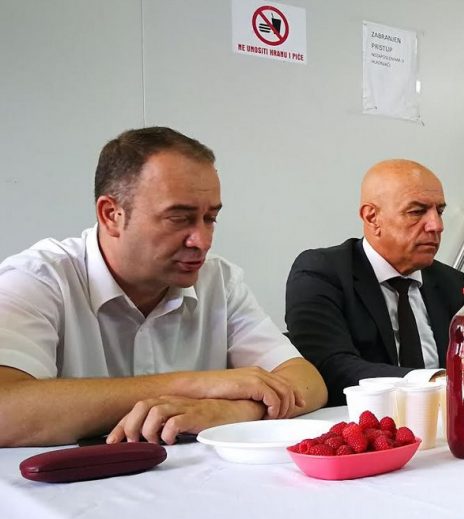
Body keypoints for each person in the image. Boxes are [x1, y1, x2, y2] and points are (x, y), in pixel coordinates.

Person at [0, 127, 327, 447]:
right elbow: (6, 411)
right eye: (179, 218)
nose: (202, 241)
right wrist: (195, 386)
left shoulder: (219, 280)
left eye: (210, 218)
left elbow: (307, 382)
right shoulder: (38, 278)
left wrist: (231, 410)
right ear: (111, 214)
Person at [285, 159, 464, 405]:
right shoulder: (323, 272)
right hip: (361, 420)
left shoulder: (452, 282)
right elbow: (330, 367)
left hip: (445, 418)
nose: (437, 225)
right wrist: (432, 382)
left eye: (440, 211)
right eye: (416, 212)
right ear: (372, 218)